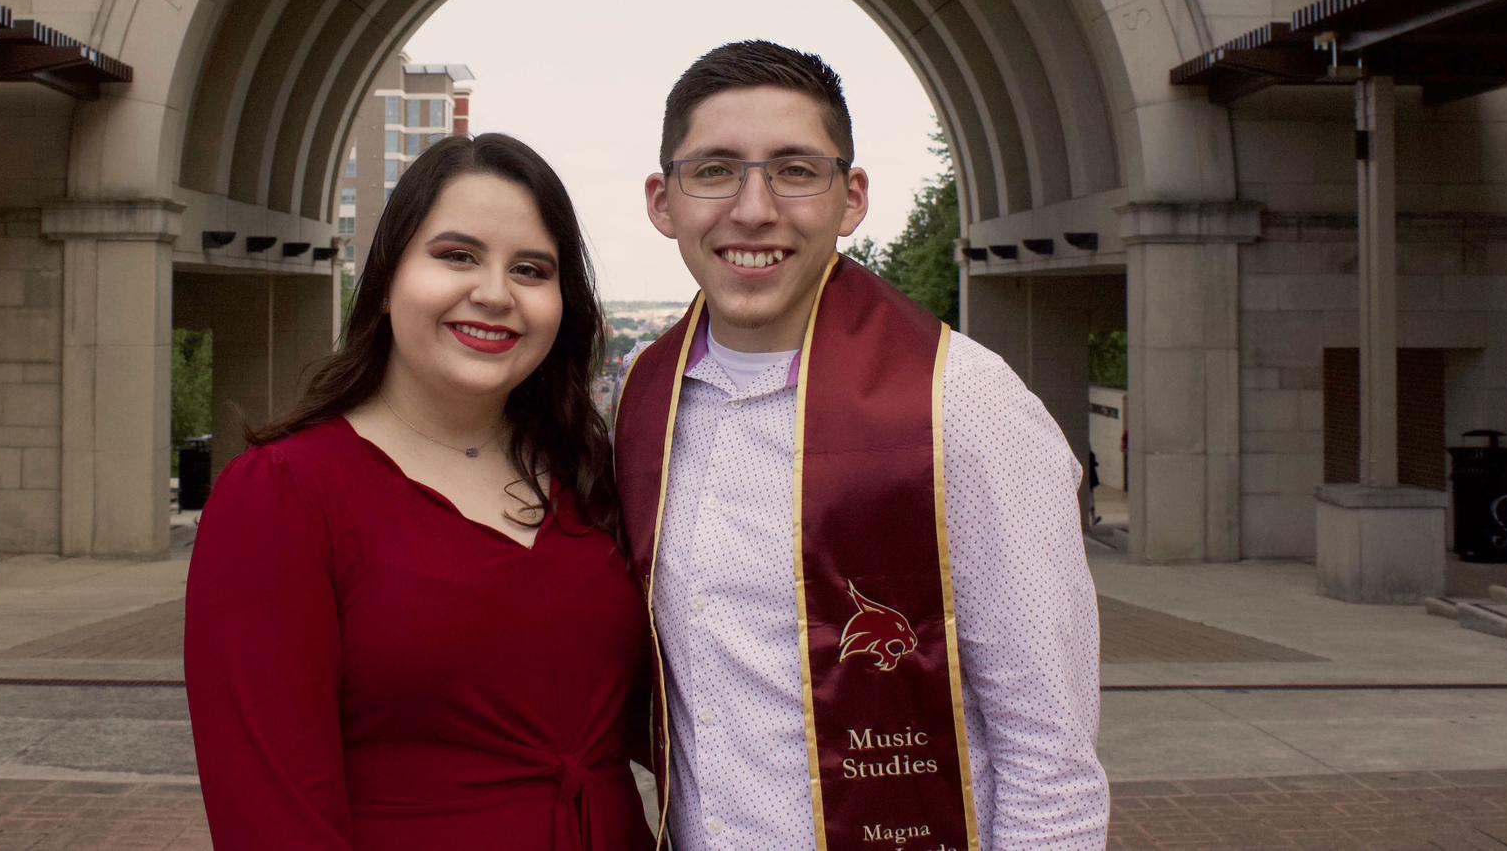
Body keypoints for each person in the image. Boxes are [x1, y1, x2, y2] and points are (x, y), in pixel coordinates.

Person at [615, 41, 1108, 849]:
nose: (752, 208)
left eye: (795, 170)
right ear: (663, 201)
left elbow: (1048, 756)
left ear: (851, 198)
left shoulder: (962, 400)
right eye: (713, 170)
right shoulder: (644, 397)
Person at [186, 133, 656, 851]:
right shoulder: (283, 496)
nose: (495, 294)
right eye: (457, 256)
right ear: (386, 277)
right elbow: (270, 812)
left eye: (531, 269)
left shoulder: (594, 478)